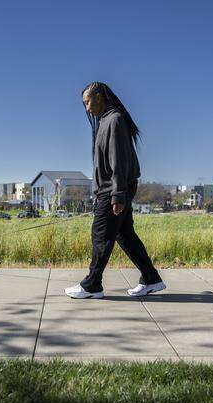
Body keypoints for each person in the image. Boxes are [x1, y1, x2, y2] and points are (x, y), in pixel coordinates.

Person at [65, 82, 167, 299]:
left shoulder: (114, 120)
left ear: (99, 97)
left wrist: (117, 194)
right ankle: (152, 279)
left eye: (87, 102)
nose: (86, 108)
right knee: (125, 235)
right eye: (83, 104)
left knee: (101, 235)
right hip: (111, 189)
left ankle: (92, 285)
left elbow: (118, 161)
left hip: (114, 189)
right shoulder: (105, 122)